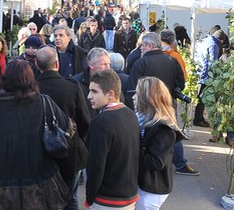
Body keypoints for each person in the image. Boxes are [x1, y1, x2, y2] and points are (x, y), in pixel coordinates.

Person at [0, 60, 70, 210]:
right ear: (30, 79)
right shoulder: (44, 102)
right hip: (40, 179)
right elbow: (67, 128)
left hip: (4, 181)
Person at [126, 33, 199, 176]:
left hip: (145, 105)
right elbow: (181, 85)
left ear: (150, 45)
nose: (140, 48)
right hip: (167, 104)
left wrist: (132, 107)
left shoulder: (141, 63)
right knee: (171, 131)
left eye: (142, 46)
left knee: (143, 134)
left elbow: (131, 88)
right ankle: (179, 163)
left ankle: (146, 161)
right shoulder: (172, 60)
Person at [36, 46, 91, 210]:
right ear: (57, 64)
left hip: (40, 153)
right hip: (69, 151)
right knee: (70, 199)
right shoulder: (72, 87)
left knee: (42, 200)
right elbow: (85, 121)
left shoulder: (32, 89)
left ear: (37, 66)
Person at [85, 69, 140, 209]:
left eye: (94, 91)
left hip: (107, 199)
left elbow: (95, 166)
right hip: (129, 196)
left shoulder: (100, 122)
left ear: (110, 94)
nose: (89, 96)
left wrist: (89, 198)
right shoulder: (131, 115)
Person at [134, 77, 187, 210]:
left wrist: (130, 150)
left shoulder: (164, 128)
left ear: (147, 98)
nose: (133, 97)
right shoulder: (144, 120)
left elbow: (155, 162)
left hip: (151, 188)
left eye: (137, 94)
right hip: (146, 185)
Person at [193, 29, 225, 127]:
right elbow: (212, 62)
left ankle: (199, 118)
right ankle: (198, 119)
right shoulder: (214, 45)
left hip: (199, 72)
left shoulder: (205, 40)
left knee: (200, 97)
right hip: (206, 75)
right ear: (221, 40)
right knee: (202, 98)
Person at [72, 47, 111, 118]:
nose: (108, 68)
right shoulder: (76, 83)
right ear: (91, 65)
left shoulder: (111, 82)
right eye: (104, 64)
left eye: (109, 64)